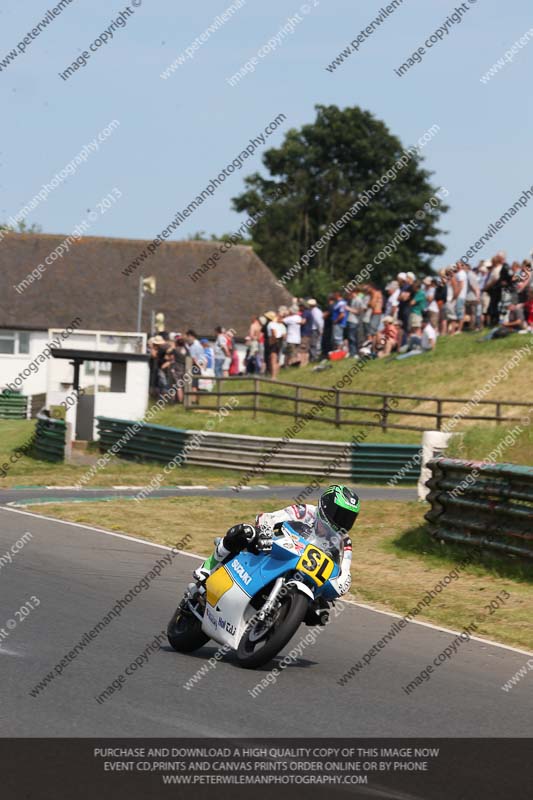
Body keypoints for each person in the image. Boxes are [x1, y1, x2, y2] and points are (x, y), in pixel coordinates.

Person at [191, 484, 360, 622]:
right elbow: (268, 518)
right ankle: (208, 566)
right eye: (339, 514)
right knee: (245, 532)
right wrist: (265, 531)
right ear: (325, 506)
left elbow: (344, 571)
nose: (341, 522)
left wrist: (341, 584)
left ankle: (275, 617)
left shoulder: (344, 542)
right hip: (275, 550)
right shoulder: (306, 512)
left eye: (348, 518)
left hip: (303, 574)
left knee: (319, 612)